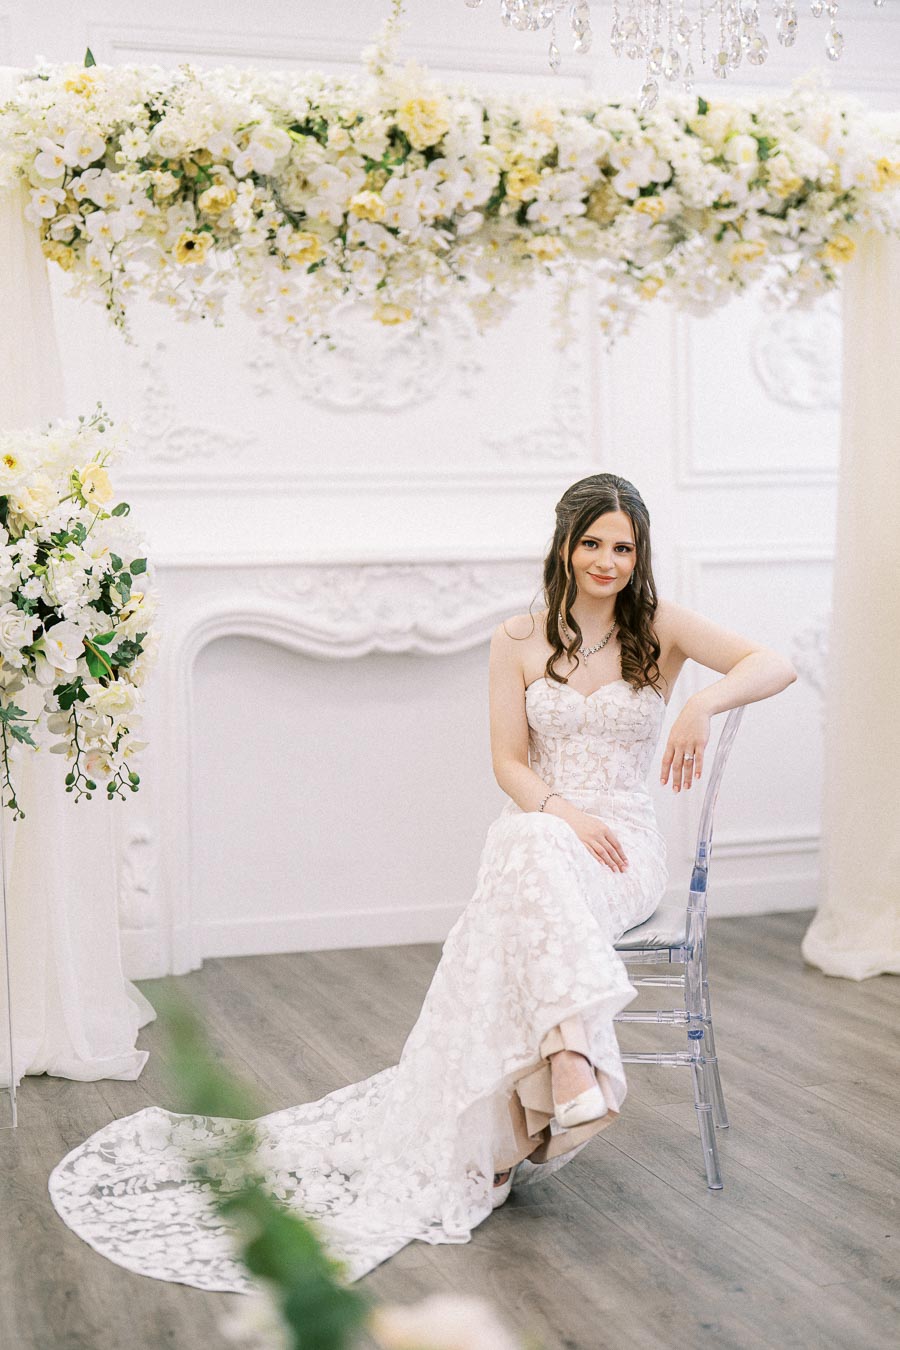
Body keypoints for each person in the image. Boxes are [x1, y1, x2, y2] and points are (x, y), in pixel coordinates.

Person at [47, 472, 797, 1290]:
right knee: (528, 846)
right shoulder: (515, 638)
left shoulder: (660, 627)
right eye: (592, 543)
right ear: (564, 544)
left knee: (523, 858)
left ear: (638, 553)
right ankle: (570, 1062)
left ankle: (560, 1076)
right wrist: (560, 813)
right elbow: (508, 762)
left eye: (623, 546)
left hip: (623, 853)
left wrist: (701, 704)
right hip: (547, 828)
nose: (607, 560)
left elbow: (775, 663)